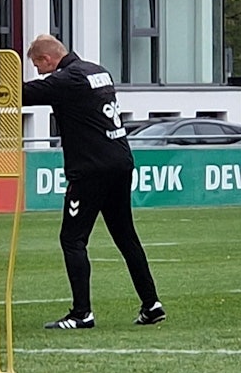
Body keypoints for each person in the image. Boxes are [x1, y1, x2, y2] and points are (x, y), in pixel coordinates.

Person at [22, 34, 165, 329]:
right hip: (120, 161)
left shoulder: (67, 79)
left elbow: (19, 94)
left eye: (37, 65)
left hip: (91, 170)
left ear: (47, 59)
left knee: (72, 239)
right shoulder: (97, 71)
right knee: (126, 236)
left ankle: (81, 313)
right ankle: (151, 304)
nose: (38, 72)